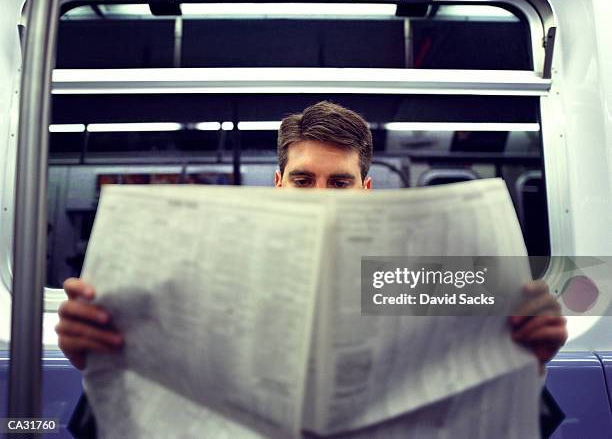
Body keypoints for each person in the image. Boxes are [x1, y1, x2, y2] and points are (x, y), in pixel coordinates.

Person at [58, 101, 567, 438]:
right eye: (304, 180)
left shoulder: (419, 284)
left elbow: (511, 416)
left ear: (365, 191)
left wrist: (531, 360)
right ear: (279, 184)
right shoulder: (217, 282)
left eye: (339, 183)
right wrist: (96, 361)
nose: (319, 199)